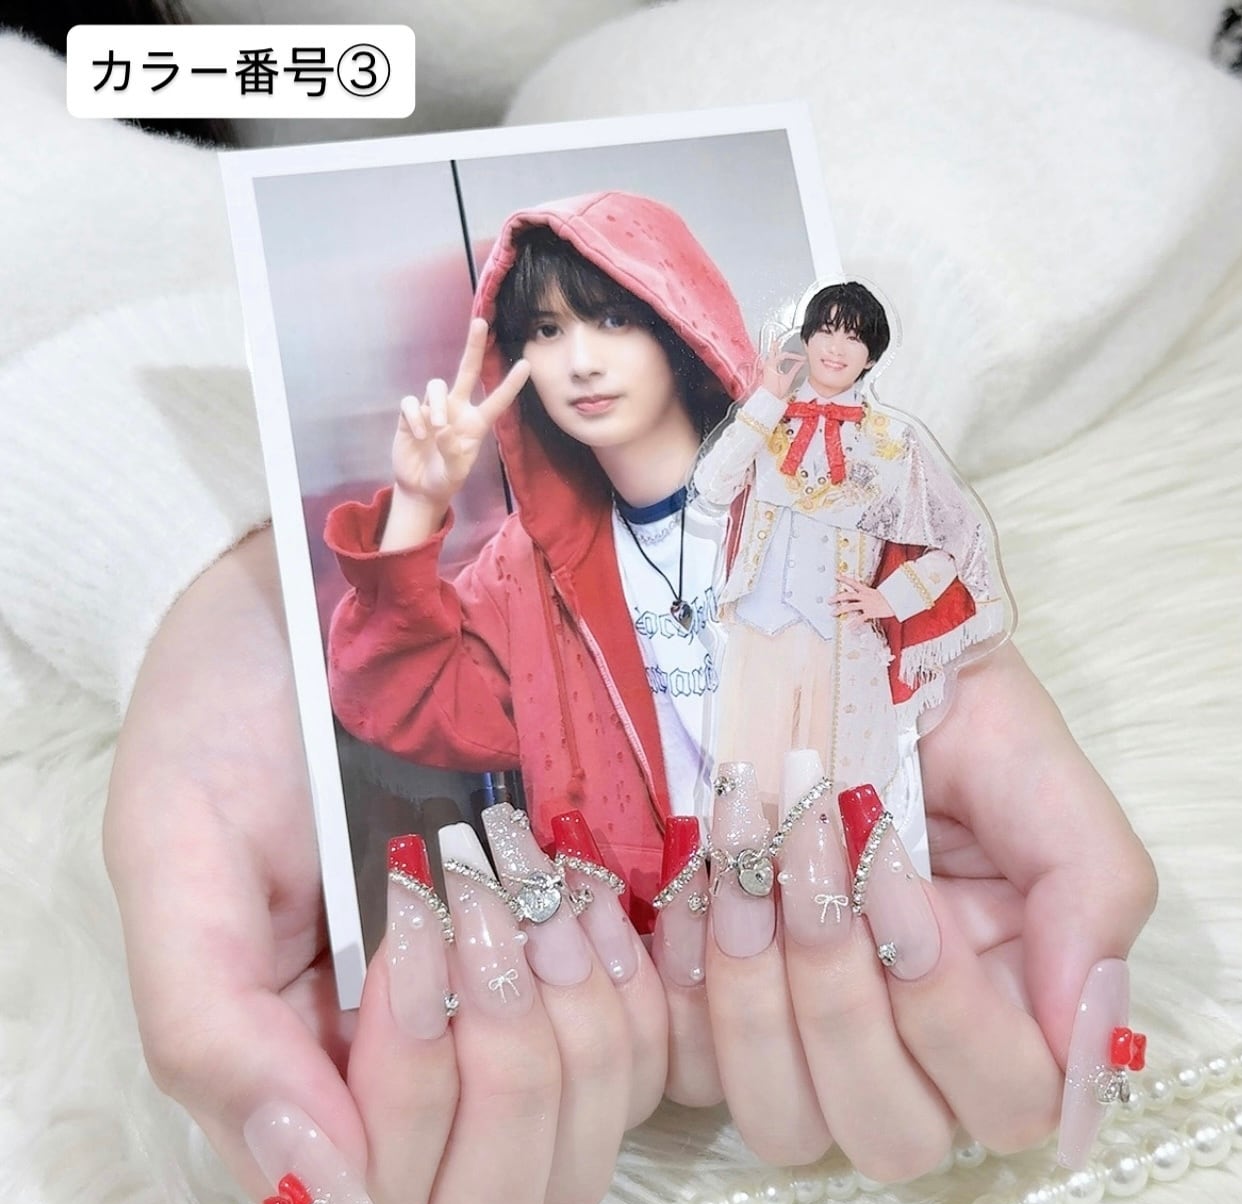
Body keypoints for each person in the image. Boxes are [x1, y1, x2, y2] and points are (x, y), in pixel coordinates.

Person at [325, 192, 756, 925]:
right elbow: (399, 700)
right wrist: (417, 503)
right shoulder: (527, 565)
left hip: (836, 911)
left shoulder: (807, 503)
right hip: (645, 956)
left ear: (678, 321)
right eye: (548, 330)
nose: (581, 363)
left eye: (613, 319)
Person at [693, 281, 1006, 870]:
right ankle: (743, 893)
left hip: (840, 643)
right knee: (748, 793)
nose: (836, 347)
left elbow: (959, 539)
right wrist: (766, 400)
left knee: (829, 805)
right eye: (827, 330)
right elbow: (711, 487)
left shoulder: (892, 443)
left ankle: (827, 904)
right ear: (807, 337)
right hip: (759, 633)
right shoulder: (769, 422)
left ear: (872, 355)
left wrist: (891, 599)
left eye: (855, 337)